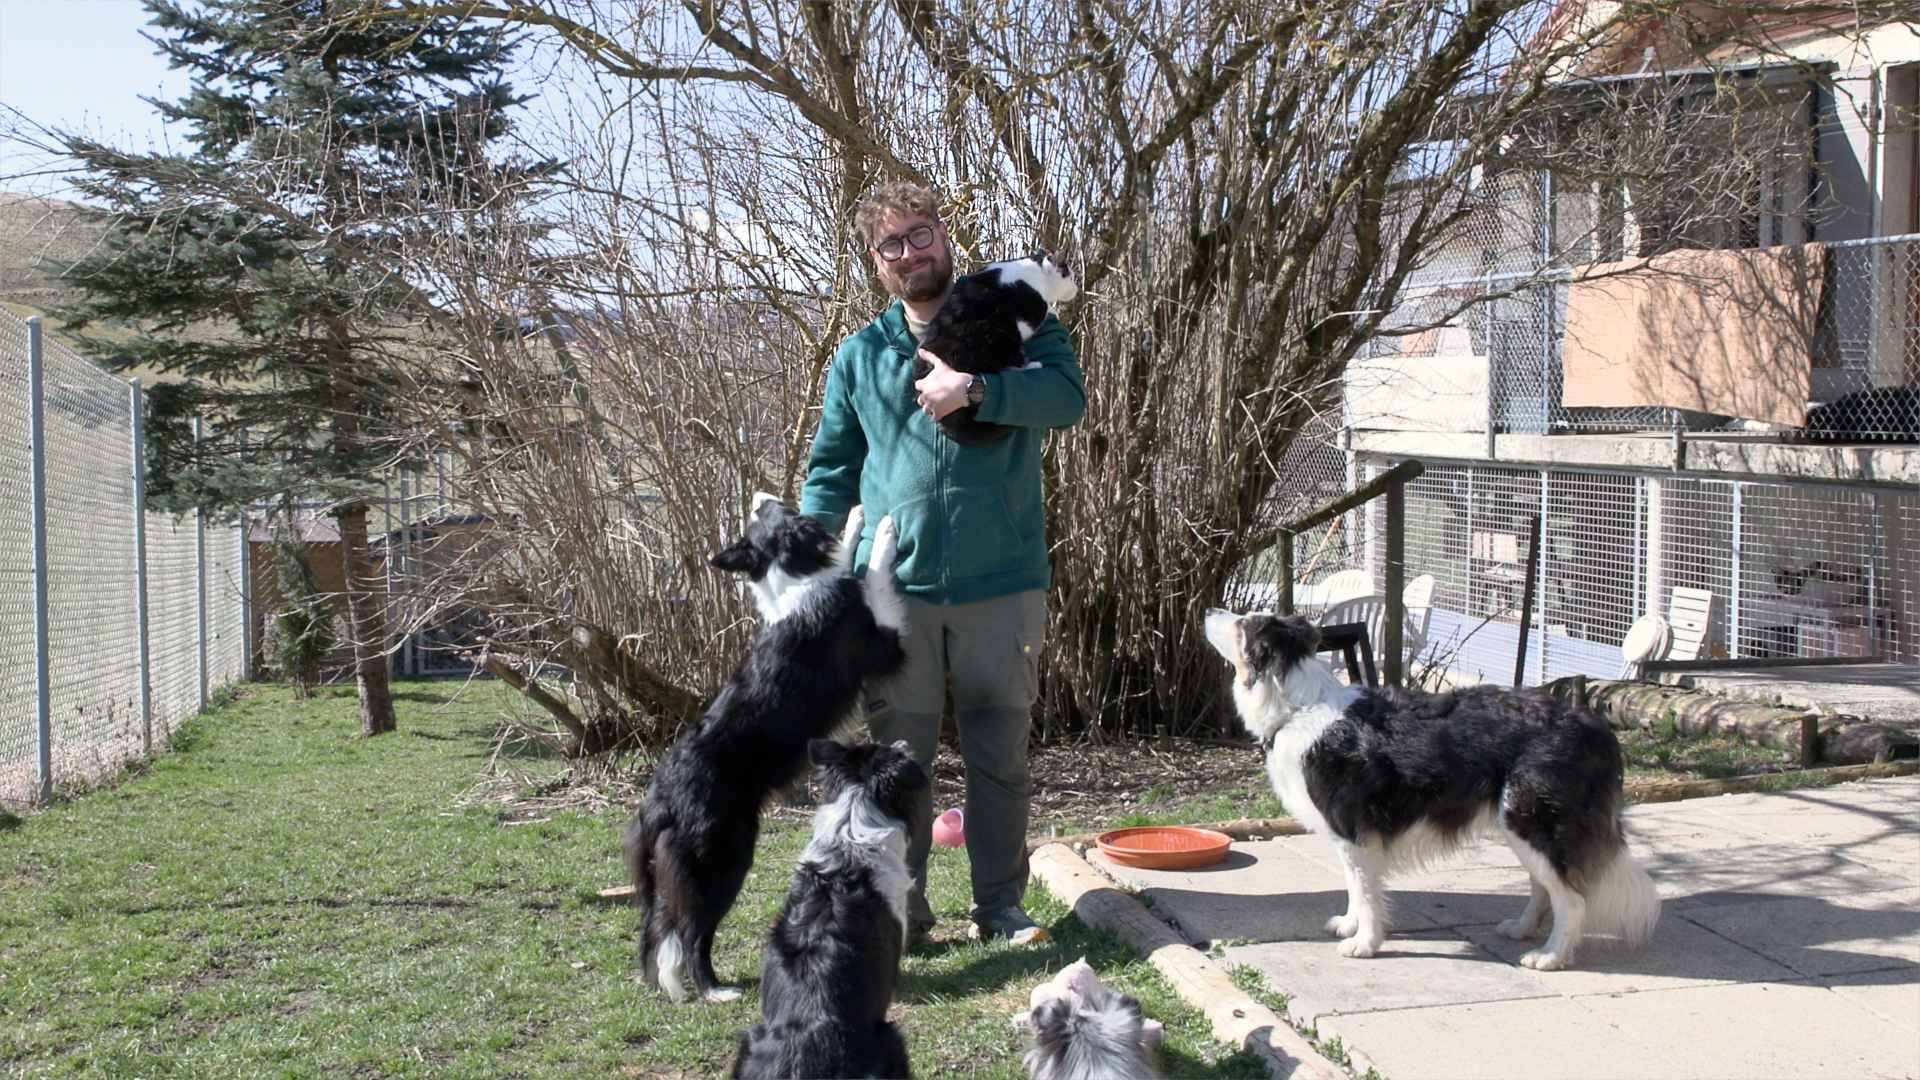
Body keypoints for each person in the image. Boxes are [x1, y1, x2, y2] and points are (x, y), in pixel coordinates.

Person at [799, 179, 1086, 947]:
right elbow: (831, 470)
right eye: (891, 244)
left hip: (1003, 582)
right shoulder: (861, 355)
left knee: (1001, 758)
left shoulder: (1015, 318)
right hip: (894, 595)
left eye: (920, 234)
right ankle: (904, 913)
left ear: (944, 237)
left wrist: (979, 389)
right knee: (897, 763)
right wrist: (812, 569)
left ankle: (1001, 908)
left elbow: (1066, 398)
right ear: (875, 261)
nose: (909, 253)